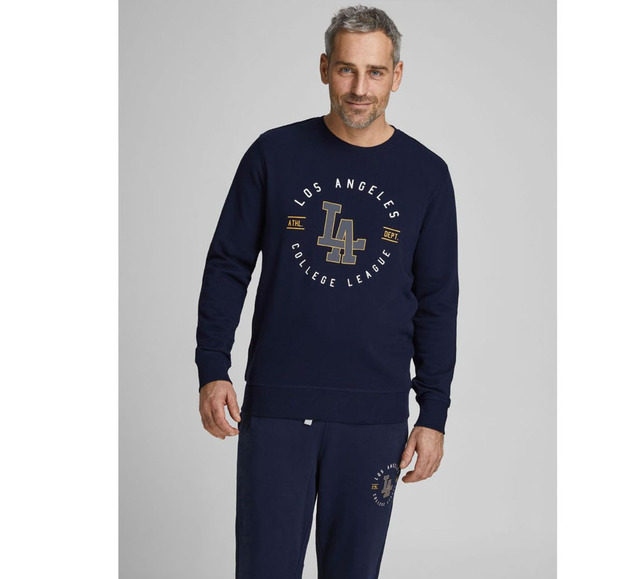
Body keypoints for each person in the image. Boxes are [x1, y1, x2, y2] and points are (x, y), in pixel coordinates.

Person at [195, 5, 459, 578]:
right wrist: (212, 366)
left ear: (396, 75)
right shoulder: (273, 154)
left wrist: (433, 412)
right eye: (346, 69)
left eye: (375, 72)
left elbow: (438, 302)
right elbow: (228, 264)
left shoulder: (427, 174)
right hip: (277, 410)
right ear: (324, 69)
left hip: (374, 419)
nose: (360, 88)